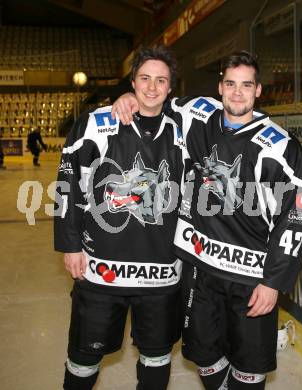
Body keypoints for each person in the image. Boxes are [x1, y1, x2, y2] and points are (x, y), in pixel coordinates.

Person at [112, 50, 302, 390]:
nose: (237, 93)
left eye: (246, 85)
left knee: (249, 369)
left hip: (250, 276)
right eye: (230, 84)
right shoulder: (197, 112)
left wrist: (273, 282)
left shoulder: (280, 146)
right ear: (220, 87)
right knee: (202, 356)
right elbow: (154, 97)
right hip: (200, 271)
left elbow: (294, 219)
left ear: (259, 90)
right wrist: (129, 96)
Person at [54, 46, 188, 390]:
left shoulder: (185, 130)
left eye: (161, 80)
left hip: (160, 273)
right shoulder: (96, 123)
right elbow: (68, 185)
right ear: (132, 81)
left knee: (156, 357)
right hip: (100, 269)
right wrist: (70, 245)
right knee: (84, 357)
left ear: (171, 88)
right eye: (144, 79)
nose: (152, 87)